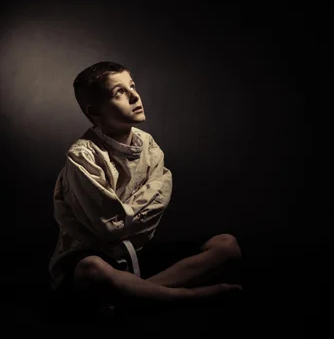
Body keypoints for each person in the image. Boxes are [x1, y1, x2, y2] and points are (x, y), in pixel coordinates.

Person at [48, 61, 243, 318]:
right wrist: (137, 211)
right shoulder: (83, 156)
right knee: (91, 269)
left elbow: (154, 203)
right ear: (95, 112)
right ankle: (188, 297)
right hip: (97, 255)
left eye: (132, 86)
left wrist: (127, 215)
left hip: (140, 250)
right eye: (119, 93)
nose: (135, 96)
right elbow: (108, 228)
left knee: (227, 246)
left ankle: (136, 295)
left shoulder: (149, 145)